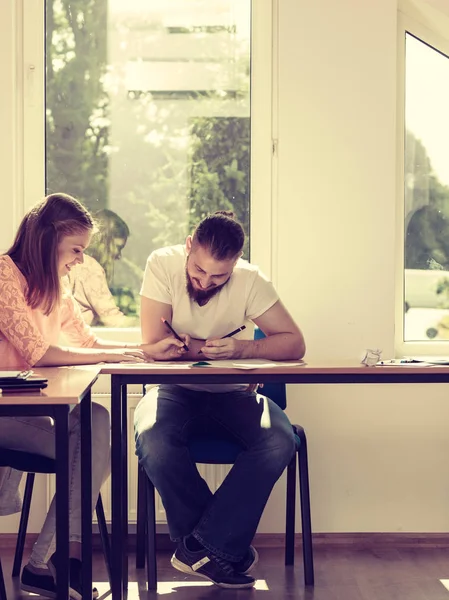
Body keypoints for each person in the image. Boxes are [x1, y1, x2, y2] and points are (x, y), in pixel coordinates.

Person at [0, 193, 186, 600]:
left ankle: (52, 562)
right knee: (87, 444)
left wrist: (144, 350)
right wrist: (122, 353)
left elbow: (84, 341)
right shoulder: (3, 275)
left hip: (36, 414)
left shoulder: (56, 286)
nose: (81, 260)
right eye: (77, 250)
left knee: (99, 420)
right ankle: (51, 563)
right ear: (48, 239)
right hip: (6, 415)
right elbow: (39, 352)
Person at [134, 210, 305, 589]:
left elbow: (294, 343)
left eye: (218, 276)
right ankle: (225, 551)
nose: (204, 282)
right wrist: (197, 349)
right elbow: (154, 345)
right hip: (172, 392)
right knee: (153, 439)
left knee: (279, 440)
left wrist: (242, 348)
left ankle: (200, 548)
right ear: (188, 246)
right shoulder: (161, 264)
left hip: (235, 393)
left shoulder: (251, 280)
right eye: (197, 270)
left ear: (236, 264)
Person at [67, 208, 137, 327]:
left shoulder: (74, 264)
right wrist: (143, 324)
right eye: (118, 247)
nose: (118, 255)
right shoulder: (90, 268)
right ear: (104, 243)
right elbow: (112, 319)